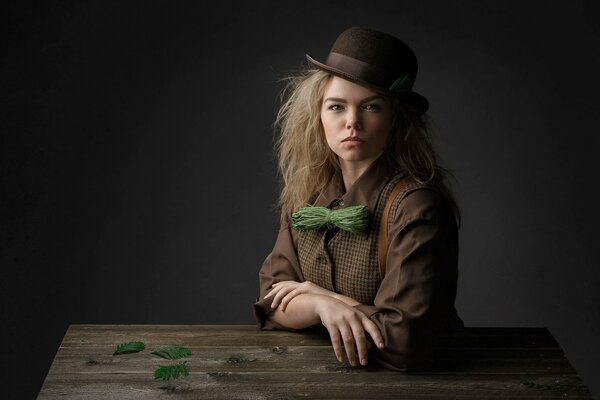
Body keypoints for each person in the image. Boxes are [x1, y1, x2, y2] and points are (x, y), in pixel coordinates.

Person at [252, 27, 463, 371]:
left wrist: (324, 298)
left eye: (371, 106)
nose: (352, 122)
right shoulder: (307, 195)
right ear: (318, 117)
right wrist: (322, 308)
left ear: (395, 119)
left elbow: (404, 343)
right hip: (315, 379)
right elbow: (272, 303)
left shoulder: (416, 206)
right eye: (336, 107)